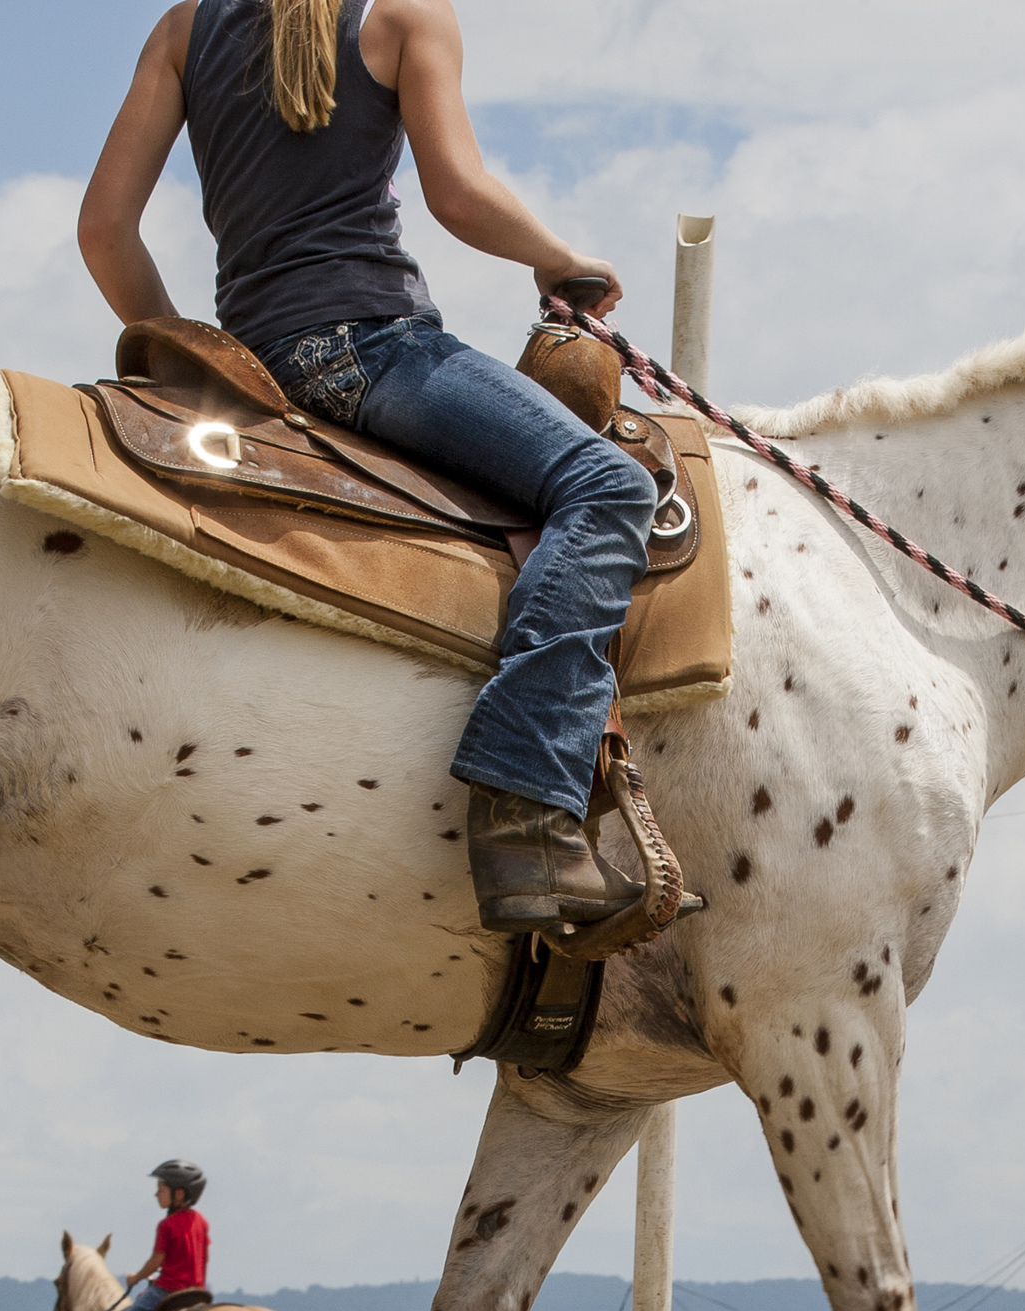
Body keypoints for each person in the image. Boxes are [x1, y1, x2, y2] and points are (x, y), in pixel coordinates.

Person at [79, 0, 651, 934]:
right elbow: (458, 195)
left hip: (264, 364)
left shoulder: (185, 27)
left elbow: (104, 229)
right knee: (608, 484)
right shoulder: (404, 13)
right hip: (375, 347)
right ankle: (527, 804)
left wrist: (194, 351)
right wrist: (562, 259)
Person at [89, 1159, 213, 1311]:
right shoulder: (201, 1221)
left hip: (168, 1289)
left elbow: (157, 1260)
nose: (156, 1194)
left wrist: (136, 1278)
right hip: (197, 1291)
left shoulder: (166, 1225)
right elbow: (203, 1256)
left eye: (161, 1189)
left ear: (179, 1194)